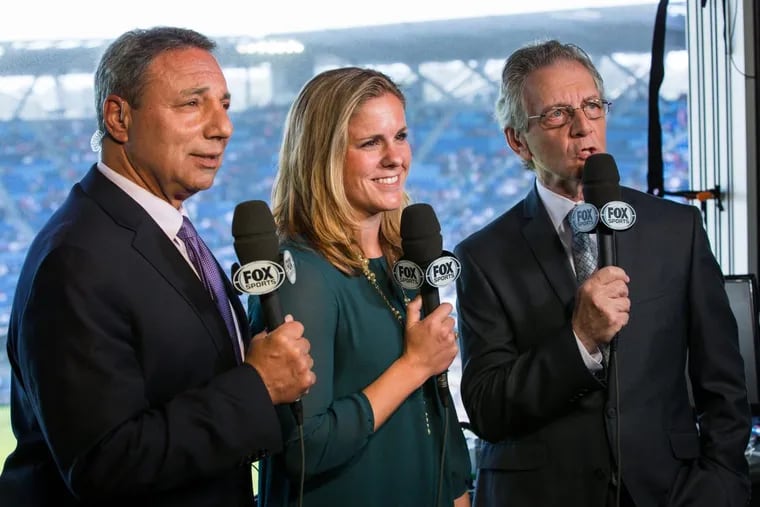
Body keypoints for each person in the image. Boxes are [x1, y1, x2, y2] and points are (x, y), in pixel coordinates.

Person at [0, 26, 315, 506]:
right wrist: (257, 386)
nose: (223, 127)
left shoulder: (163, 226)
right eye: (192, 104)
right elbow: (106, 463)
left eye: (225, 105)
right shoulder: (76, 259)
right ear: (119, 118)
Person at [455, 39, 751, 507]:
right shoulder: (482, 256)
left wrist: (721, 481)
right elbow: (488, 409)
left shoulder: (677, 229)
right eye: (557, 114)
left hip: (671, 493)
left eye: (592, 105)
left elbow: (723, 382)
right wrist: (580, 339)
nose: (583, 126)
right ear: (518, 140)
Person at [249, 67, 471, 507]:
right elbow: (306, 448)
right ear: (323, 156)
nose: (395, 157)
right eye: (371, 143)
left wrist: (457, 491)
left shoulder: (402, 257)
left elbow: (433, 410)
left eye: (400, 136)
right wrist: (414, 365)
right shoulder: (301, 275)